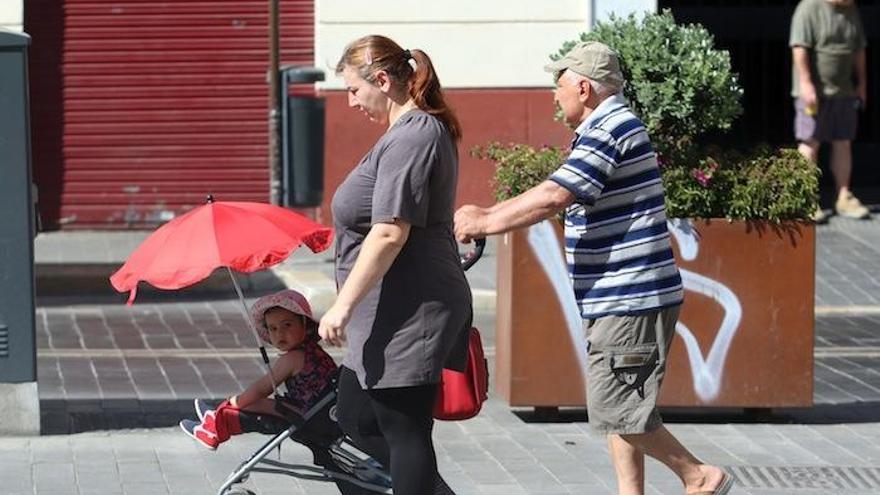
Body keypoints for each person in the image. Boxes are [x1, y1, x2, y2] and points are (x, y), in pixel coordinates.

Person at [454, 41, 733, 495]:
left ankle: (698, 475)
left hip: (629, 296)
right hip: (617, 296)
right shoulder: (605, 128)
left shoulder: (611, 128)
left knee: (616, 408)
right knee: (625, 407)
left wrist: (486, 219)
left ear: (583, 87)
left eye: (558, 84)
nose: (554, 94)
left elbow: (555, 194)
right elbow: (560, 191)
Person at [317, 35, 470, 495]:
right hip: (386, 310)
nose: (350, 101)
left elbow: (389, 231)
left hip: (412, 309)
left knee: (403, 432)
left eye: (354, 89)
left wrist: (341, 306)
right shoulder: (402, 135)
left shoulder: (416, 135)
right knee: (356, 415)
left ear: (382, 81)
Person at [179, 289, 337, 450]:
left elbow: (261, 389)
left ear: (306, 325)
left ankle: (214, 426)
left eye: (287, 325)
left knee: (251, 403)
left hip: (310, 417)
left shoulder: (292, 358)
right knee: (260, 403)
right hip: (324, 413)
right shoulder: (313, 351)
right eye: (273, 329)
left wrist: (235, 401)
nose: (280, 333)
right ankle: (214, 416)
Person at [790, 0, 869, 222]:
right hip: (814, 91)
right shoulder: (808, 8)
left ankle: (844, 196)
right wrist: (806, 84)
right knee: (810, 142)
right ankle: (806, 199)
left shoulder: (851, 9)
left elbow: (858, 49)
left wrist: (862, 83)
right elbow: (799, 48)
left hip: (843, 90)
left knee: (843, 141)